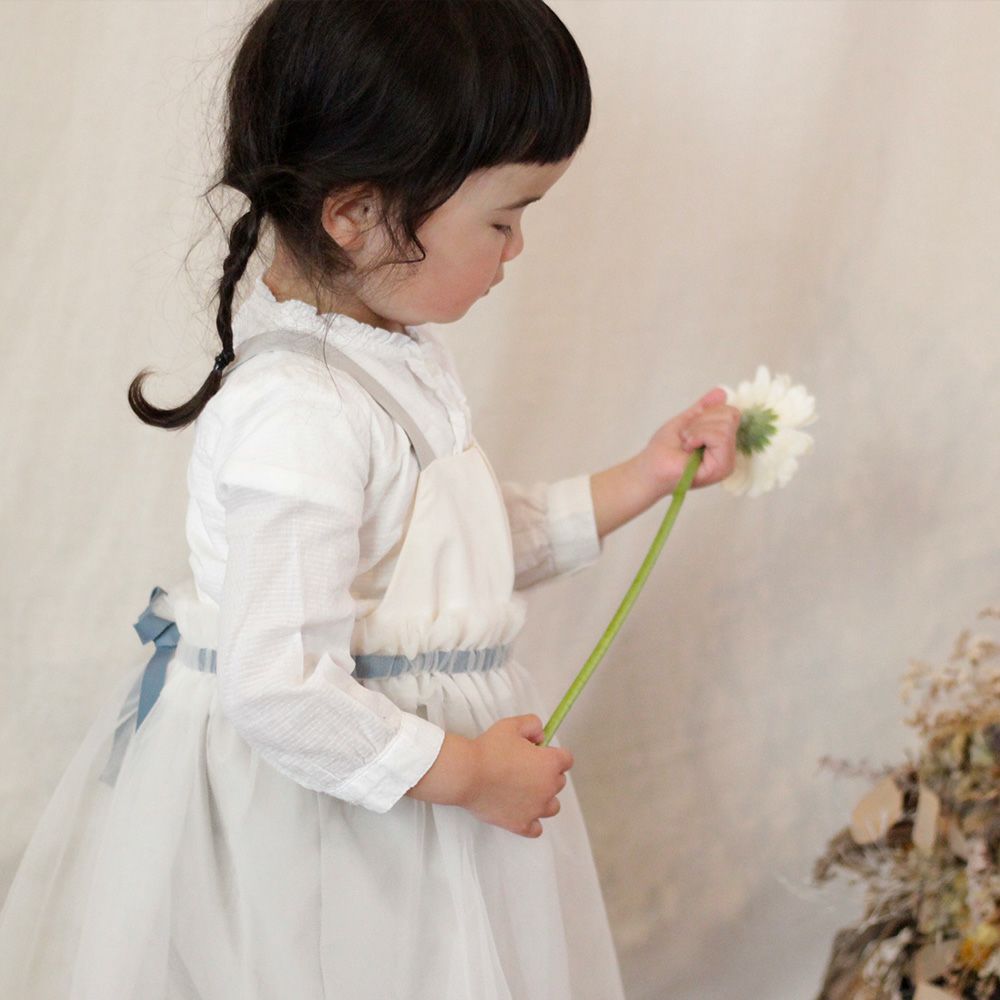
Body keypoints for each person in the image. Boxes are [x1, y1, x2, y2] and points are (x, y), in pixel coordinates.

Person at [0, 1, 740, 997]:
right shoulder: (300, 412)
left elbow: (452, 553)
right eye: (503, 218)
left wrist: (646, 476)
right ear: (355, 214)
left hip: (419, 797)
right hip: (343, 819)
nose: (516, 248)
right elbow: (278, 686)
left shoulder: (386, 353)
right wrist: (470, 774)